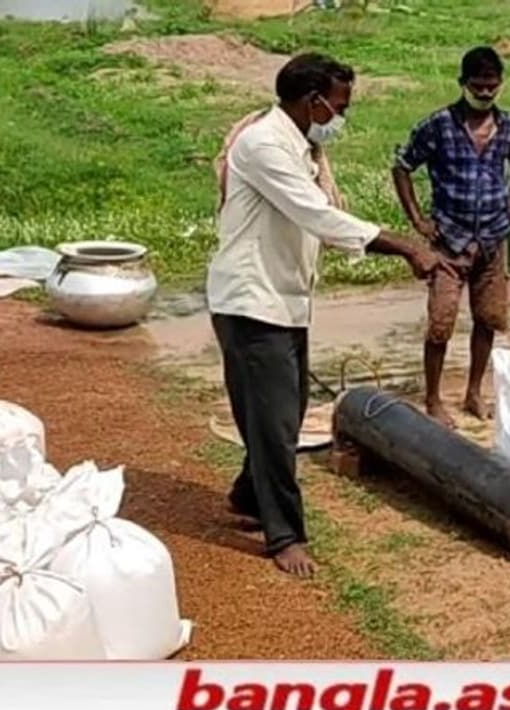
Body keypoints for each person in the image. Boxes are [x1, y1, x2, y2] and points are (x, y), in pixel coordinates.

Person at [208, 52, 449, 578]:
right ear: (313, 101)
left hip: (282, 300)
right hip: (252, 302)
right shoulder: (264, 145)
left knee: (284, 412)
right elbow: (317, 216)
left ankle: (248, 494)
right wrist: (406, 246)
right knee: (275, 423)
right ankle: (284, 534)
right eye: (340, 106)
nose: (342, 116)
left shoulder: (301, 147)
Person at [393, 46, 510, 429]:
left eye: (491, 86)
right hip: (448, 242)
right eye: (477, 86)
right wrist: (418, 220)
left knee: (488, 319)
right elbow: (402, 167)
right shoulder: (438, 125)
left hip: (493, 239)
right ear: (462, 83)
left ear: (500, 85)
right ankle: (434, 399)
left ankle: (474, 393)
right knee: (441, 324)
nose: (485, 93)